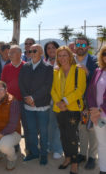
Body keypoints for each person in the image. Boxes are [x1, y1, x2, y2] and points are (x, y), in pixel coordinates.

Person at [51, 46, 86, 174]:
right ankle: (67, 158)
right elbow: (53, 89)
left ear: (70, 56)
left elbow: (80, 90)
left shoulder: (78, 70)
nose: (62, 58)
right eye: (60, 56)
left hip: (73, 108)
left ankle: (75, 162)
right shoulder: (56, 71)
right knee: (63, 135)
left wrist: (65, 101)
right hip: (59, 109)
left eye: (65, 55)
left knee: (72, 136)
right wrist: (59, 103)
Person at [19, 44, 53, 165]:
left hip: (42, 106)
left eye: (35, 51)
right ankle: (34, 153)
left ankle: (43, 155)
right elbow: (21, 83)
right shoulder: (25, 66)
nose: (32, 53)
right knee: (31, 131)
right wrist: (27, 98)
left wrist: (33, 98)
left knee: (43, 132)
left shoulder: (48, 67)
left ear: (41, 53)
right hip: (28, 106)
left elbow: (47, 86)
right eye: (30, 51)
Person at [74, 36, 98, 169]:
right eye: (78, 45)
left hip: (91, 100)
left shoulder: (94, 61)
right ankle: (82, 153)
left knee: (92, 129)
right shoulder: (71, 60)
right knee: (81, 128)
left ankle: (93, 156)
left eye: (83, 45)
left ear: (88, 47)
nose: (80, 47)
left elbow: (99, 80)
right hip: (76, 101)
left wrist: (88, 72)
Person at [1, 45, 28, 152]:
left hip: (25, 101)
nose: (9, 55)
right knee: (14, 125)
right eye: (9, 53)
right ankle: (15, 145)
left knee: (27, 125)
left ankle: (29, 147)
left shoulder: (26, 66)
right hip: (11, 102)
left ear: (19, 54)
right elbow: (3, 84)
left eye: (12, 52)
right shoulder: (6, 67)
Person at [86, 45, 106, 174]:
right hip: (98, 116)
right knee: (102, 143)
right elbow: (90, 92)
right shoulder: (98, 71)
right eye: (104, 53)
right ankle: (103, 169)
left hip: (101, 112)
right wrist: (94, 109)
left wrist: (101, 109)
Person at [44, 41, 63, 159]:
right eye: (48, 48)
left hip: (59, 100)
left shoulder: (63, 63)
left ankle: (58, 148)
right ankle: (49, 145)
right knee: (49, 125)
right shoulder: (44, 62)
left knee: (58, 125)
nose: (51, 50)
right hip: (46, 100)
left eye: (53, 48)